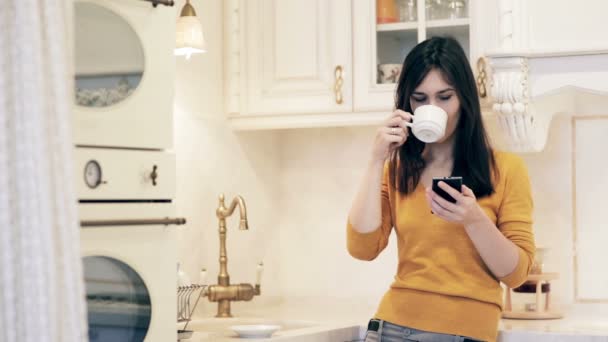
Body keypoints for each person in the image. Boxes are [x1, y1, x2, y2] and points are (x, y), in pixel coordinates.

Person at [346, 36, 535, 342]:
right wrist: (375, 158)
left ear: (464, 99)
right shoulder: (397, 170)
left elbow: (516, 274)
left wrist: (473, 219)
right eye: (420, 99)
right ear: (408, 103)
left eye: (444, 97)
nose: (432, 108)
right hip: (391, 327)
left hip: (467, 332)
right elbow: (362, 248)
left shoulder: (507, 170)